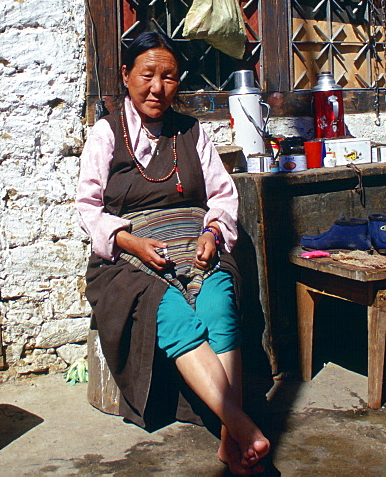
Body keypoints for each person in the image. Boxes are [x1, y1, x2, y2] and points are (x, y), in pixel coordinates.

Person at [76, 31, 270, 475]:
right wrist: (130, 241)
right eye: (147, 75)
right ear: (126, 76)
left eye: (169, 77)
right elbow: (88, 207)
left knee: (220, 305)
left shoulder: (193, 132)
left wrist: (214, 235)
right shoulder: (106, 134)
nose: (157, 88)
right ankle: (241, 426)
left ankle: (228, 442)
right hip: (129, 259)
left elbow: (223, 196)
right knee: (177, 316)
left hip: (195, 245)